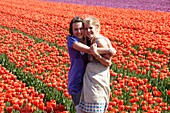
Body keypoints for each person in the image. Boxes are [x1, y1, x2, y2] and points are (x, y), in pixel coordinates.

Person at [67, 16, 116, 113]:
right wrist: (110, 50)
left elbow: (107, 62)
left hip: (88, 82)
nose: (79, 31)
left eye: (81, 29)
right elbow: (89, 50)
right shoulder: (72, 40)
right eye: (76, 29)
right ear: (71, 31)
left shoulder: (88, 40)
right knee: (80, 111)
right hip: (76, 81)